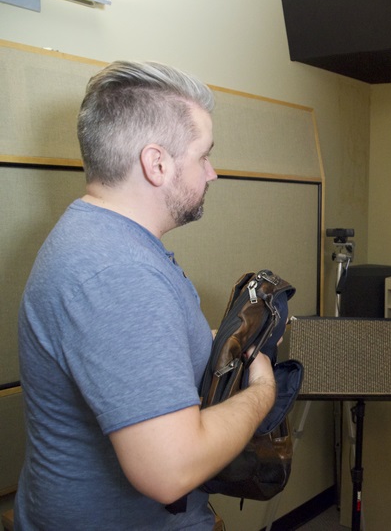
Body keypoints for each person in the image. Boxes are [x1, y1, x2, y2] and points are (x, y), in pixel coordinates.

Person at [15, 61, 277, 529]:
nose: (212, 172)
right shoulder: (118, 272)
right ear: (156, 164)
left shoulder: (99, 238)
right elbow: (170, 470)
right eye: (202, 156)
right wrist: (262, 391)